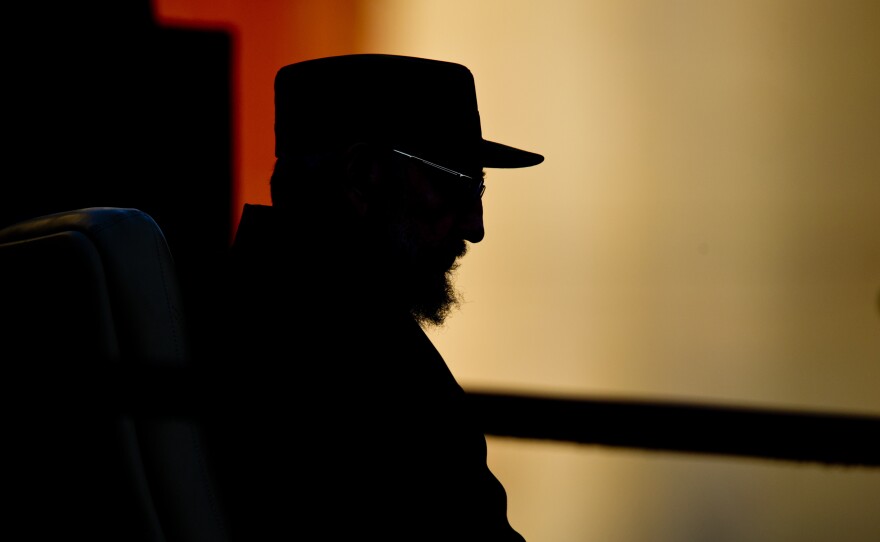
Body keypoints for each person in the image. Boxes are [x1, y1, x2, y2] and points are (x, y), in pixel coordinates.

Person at [204, 53, 544, 541]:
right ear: (364, 175)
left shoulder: (220, 310)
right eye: (458, 185)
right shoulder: (373, 367)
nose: (477, 226)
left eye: (481, 188)